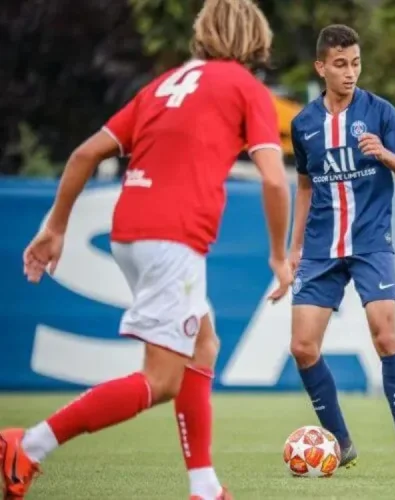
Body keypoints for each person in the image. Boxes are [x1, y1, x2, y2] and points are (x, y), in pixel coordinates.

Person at [0, 0, 293, 498]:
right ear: (255, 41)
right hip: (172, 240)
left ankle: (204, 487)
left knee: (203, 345)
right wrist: (279, 257)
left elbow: (83, 154)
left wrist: (56, 226)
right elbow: (274, 181)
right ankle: (28, 444)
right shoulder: (246, 88)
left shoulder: (162, 86)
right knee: (160, 381)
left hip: (129, 231)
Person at [288, 24, 395, 479]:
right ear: (321, 67)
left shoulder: (380, 112)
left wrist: (384, 154)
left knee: (385, 334)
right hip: (321, 249)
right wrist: (294, 249)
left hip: (371, 242)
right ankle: (341, 443)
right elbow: (305, 187)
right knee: (302, 347)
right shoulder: (304, 124)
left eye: (355, 64)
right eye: (340, 65)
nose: (350, 73)